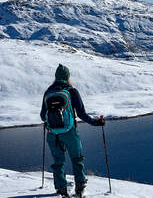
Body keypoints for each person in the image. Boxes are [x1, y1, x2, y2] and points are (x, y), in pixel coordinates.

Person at [40, 64, 105, 197]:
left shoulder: (48, 92)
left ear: (56, 77)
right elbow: (82, 114)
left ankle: (61, 189)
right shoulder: (72, 91)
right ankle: (80, 188)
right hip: (70, 132)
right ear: (67, 77)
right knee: (77, 158)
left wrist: (50, 121)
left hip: (52, 134)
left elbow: (42, 116)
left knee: (58, 161)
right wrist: (96, 122)